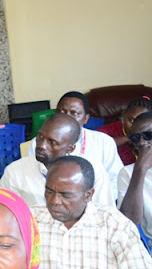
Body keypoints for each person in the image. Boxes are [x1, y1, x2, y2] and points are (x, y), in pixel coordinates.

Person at [33, 155, 152, 269]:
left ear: (88, 195)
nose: (54, 201)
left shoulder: (113, 223)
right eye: (49, 191)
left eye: (66, 195)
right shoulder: (29, 220)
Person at [0, 113, 114, 207]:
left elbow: (105, 213)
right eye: (40, 137)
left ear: (70, 148)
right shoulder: (15, 171)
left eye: (52, 142)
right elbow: (4, 212)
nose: (42, 146)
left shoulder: (93, 171)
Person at [28, 91, 123, 199]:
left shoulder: (104, 142)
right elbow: (30, 179)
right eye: (62, 112)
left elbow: (115, 180)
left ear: (86, 118)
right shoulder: (39, 143)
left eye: (74, 113)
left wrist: (89, 202)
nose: (67, 117)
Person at [118, 112, 152, 241]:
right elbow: (128, 222)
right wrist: (140, 170)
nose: (142, 142)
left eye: (148, 135)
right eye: (136, 138)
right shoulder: (128, 173)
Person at [98, 95, 152, 165]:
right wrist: (127, 139)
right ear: (123, 115)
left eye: (142, 123)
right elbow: (92, 149)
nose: (135, 127)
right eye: (131, 121)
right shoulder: (104, 133)